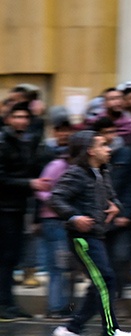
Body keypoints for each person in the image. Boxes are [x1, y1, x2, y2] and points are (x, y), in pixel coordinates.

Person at [50, 131, 131, 336]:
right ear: (90, 151)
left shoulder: (102, 171)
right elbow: (56, 198)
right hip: (82, 238)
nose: (108, 149)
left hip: (98, 234)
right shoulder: (76, 173)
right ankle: (111, 330)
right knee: (106, 279)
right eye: (102, 145)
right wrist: (74, 217)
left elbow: (112, 196)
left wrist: (115, 206)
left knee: (100, 282)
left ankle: (72, 329)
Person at [0, 102, 50, 321]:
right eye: (17, 116)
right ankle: (3, 304)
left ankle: (8, 302)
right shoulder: (3, 142)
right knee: (6, 258)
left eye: (25, 117)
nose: (21, 121)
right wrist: (31, 183)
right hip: (4, 209)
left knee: (13, 258)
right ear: (8, 119)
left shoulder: (25, 142)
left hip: (17, 207)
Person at [92, 117, 131, 307]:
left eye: (112, 131)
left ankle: (118, 299)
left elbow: (130, 186)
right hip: (99, 218)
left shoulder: (124, 153)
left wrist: (125, 213)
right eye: (105, 133)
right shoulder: (93, 159)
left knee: (120, 258)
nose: (110, 137)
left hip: (119, 216)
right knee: (103, 262)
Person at [37, 111, 76, 320]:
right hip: (54, 221)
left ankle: (64, 307)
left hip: (67, 221)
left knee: (66, 267)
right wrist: (54, 202)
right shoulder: (56, 166)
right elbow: (41, 188)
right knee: (58, 266)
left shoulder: (74, 168)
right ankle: (55, 307)